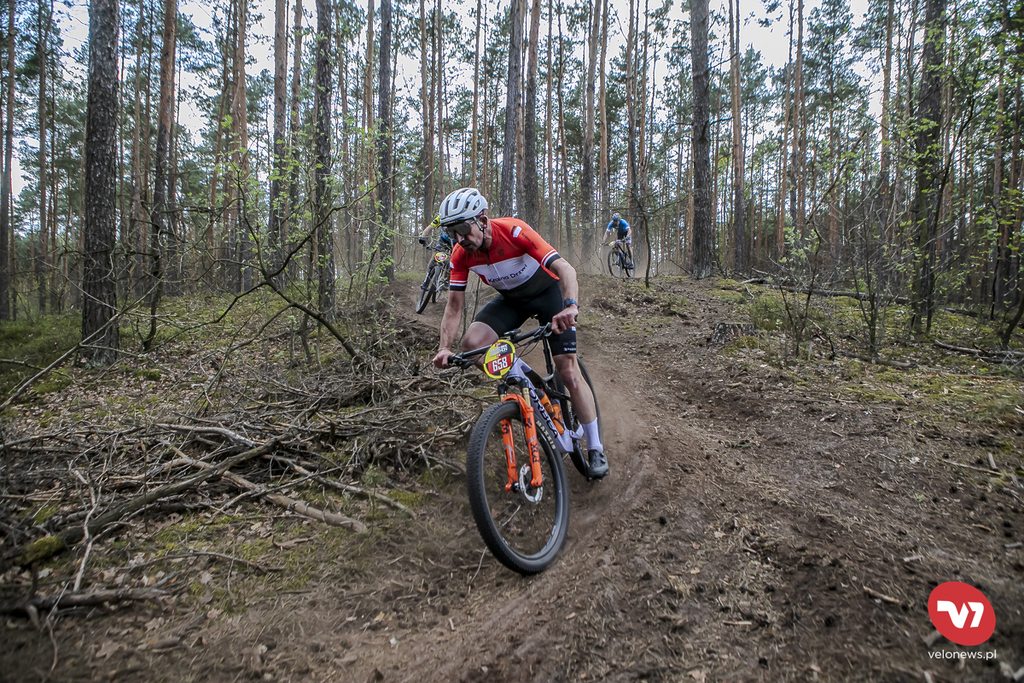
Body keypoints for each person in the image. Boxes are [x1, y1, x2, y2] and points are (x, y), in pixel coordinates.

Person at [430, 187, 608, 479]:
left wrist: (570, 307)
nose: (459, 238)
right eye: (452, 232)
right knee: (472, 345)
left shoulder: (514, 231)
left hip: (548, 293)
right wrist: (443, 348)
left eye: (462, 229)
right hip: (511, 300)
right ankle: (524, 379)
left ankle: (596, 447)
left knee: (568, 370)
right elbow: (454, 305)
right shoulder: (461, 254)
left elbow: (566, 269)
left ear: (482, 220)